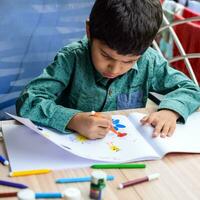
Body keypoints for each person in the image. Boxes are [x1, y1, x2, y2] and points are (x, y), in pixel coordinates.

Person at [16, 0, 200, 140]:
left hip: (124, 151)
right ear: (89, 31)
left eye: (129, 61)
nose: (115, 68)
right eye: (106, 56)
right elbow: (28, 100)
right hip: (71, 150)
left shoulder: (149, 62)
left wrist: (170, 111)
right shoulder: (71, 58)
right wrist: (73, 120)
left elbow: (190, 89)